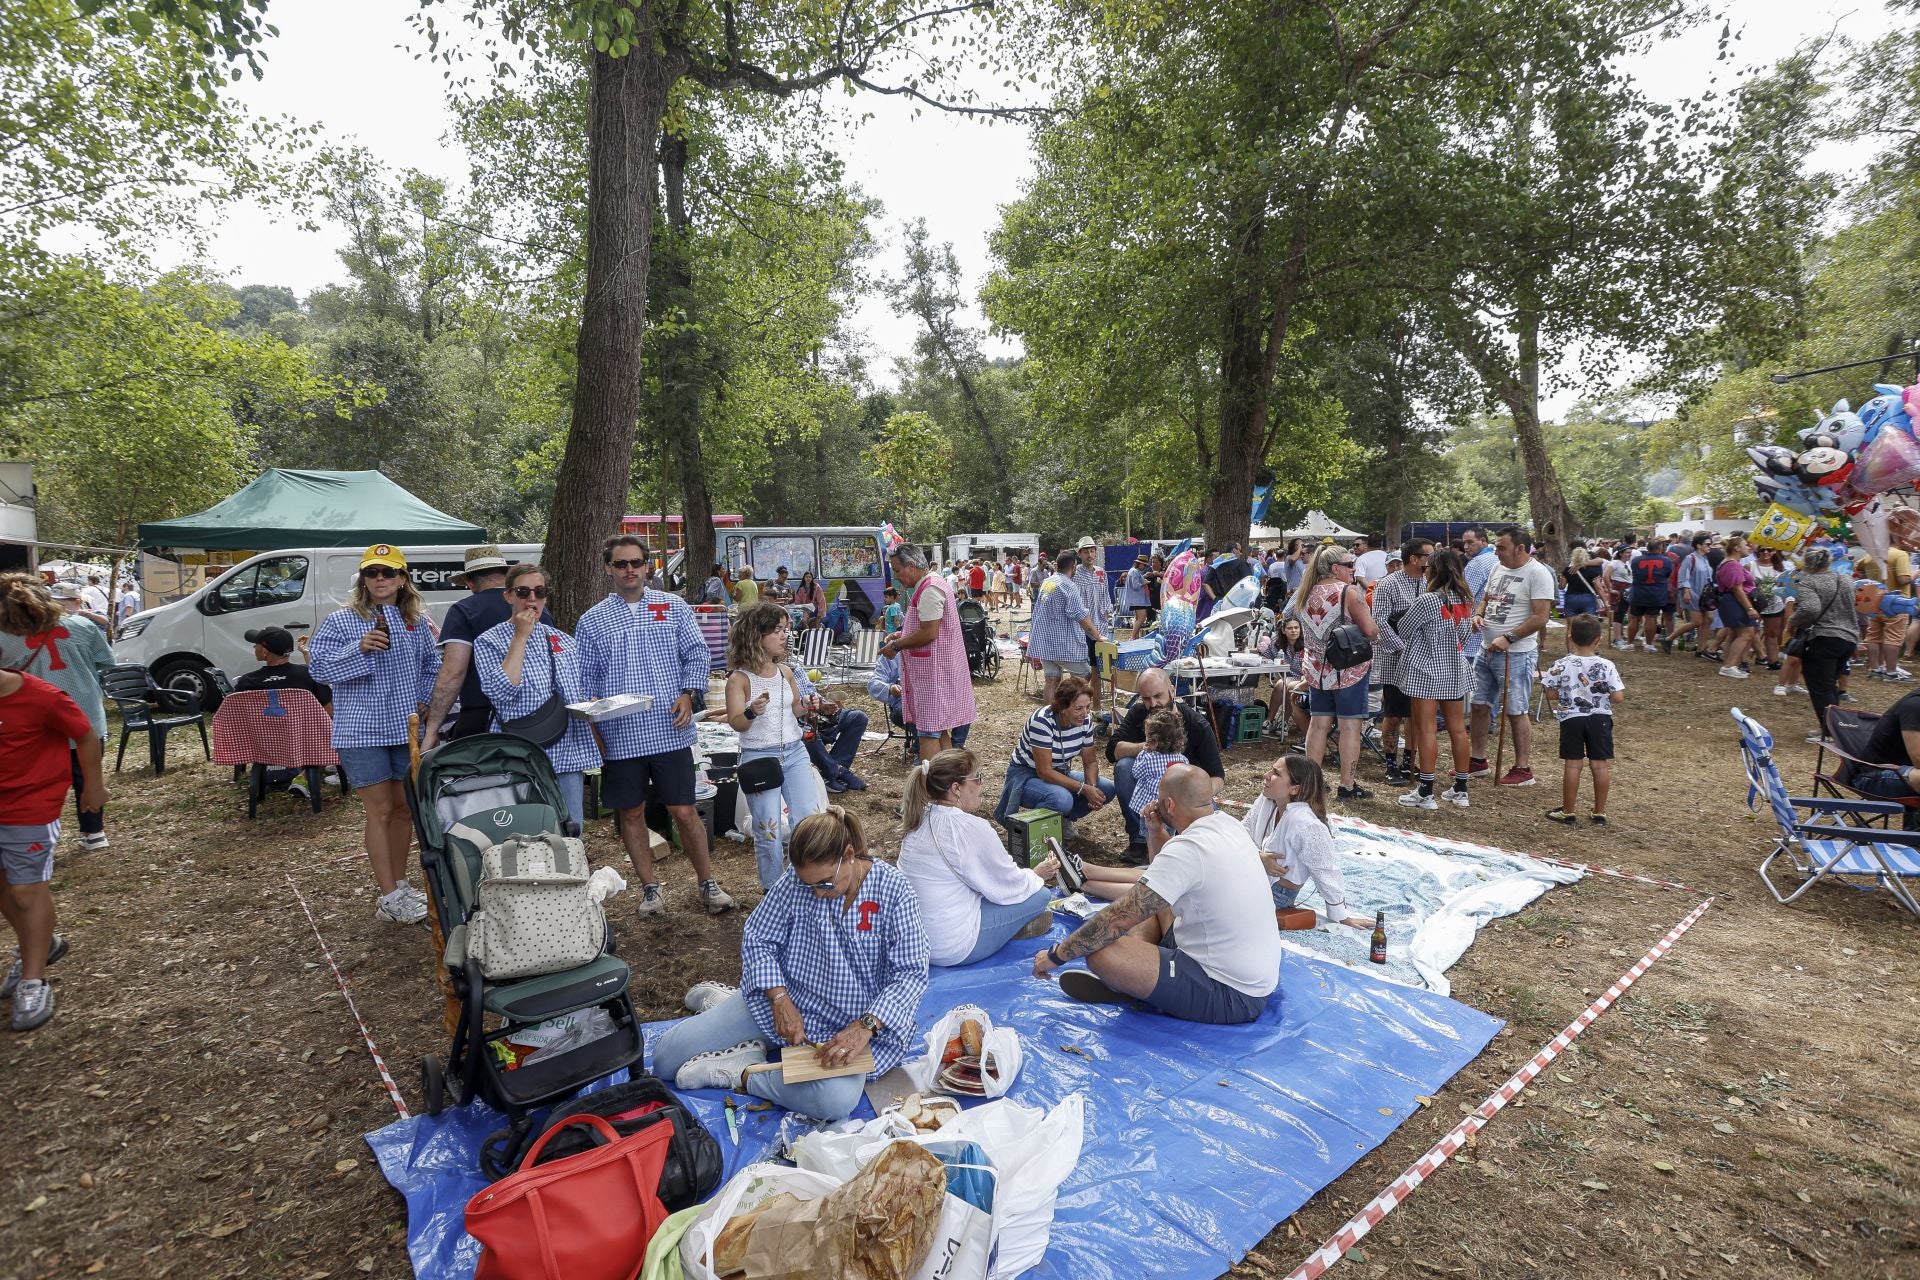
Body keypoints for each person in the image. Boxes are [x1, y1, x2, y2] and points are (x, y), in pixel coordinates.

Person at [655, 809, 929, 1118]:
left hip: (851, 1025)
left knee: (835, 1101)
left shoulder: (894, 891)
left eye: (824, 883)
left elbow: (911, 973)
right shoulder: (798, 881)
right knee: (665, 1059)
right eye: (808, 884)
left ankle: (744, 1071)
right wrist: (780, 999)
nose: (816, 893)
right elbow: (759, 936)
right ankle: (733, 1006)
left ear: (849, 855)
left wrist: (865, 1026)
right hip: (788, 1001)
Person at [1031, 765, 1279, 1023]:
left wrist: (1056, 955)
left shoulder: (1190, 849)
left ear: (1169, 805)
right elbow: (1162, 874)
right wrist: (1156, 832)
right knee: (1151, 901)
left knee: (1101, 952)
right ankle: (1139, 980)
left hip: (1229, 993)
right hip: (1249, 977)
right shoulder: (1229, 825)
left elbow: (1115, 920)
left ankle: (1135, 984)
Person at [576, 534, 737, 917]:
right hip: (621, 736)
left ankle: (707, 883)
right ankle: (651, 890)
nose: (629, 569)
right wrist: (595, 729)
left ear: (648, 566)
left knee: (684, 809)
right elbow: (585, 680)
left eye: (636, 562)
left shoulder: (673, 606)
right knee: (631, 813)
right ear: (608, 569)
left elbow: (696, 652)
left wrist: (689, 692)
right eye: (621, 564)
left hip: (669, 728)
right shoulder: (593, 620)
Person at [308, 545, 443, 925]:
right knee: (380, 810)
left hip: (405, 728)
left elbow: (433, 665)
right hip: (361, 730)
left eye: (388, 572)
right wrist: (359, 648)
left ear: (403, 579)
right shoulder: (341, 621)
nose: (380, 579)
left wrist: (424, 700)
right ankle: (388, 895)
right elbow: (318, 670)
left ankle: (399, 886)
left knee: (404, 810)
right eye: (372, 573)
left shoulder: (416, 620)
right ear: (363, 579)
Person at [0, 665, 105, 1030]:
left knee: (26, 891)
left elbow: (86, 736)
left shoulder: (42, 696)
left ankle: (33, 980)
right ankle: (41, 943)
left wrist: (93, 786)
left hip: (30, 807)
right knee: (4, 890)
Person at [897, 751, 1058, 966]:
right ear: (956, 788)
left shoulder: (918, 817)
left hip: (913, 942)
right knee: (1041, 895)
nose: (982, 785)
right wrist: (1036, 874)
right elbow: (1009, 883)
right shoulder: (971, 829)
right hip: (951, 947)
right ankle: (1009, 931)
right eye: (978, 778)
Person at [471, 564, 600, 826]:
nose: (532, 599)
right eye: (523, 592)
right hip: (520, 754)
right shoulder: (489, 641)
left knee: (571, 827)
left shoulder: (563, 640)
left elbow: (580, 689)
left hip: (566, 748)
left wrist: (593, 702)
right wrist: (520, 636)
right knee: (526, 831)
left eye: (539, 592)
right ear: (508, 596)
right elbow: (501, 692)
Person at [0, 575, 113, 852]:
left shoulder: (5, 636)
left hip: (32, 722)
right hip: (85, 712)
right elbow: (106, 662)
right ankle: (93, 831)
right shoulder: (83, 625)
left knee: (34, 778)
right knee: (87, 772)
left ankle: (36, 833)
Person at [726, 603, 831, 890]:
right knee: (768, 831)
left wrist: (808, 705)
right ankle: (773, 890)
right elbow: (737, 722)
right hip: (760, 757)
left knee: (808, 821)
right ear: (755, 635)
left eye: (786, 630)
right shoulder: (739, 679)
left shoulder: (786, 672)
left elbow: (795, 709)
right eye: (777, 631)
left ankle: (805, 882)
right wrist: (751, 711)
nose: (785, 636)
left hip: (795, 753)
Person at [425, 546, 551, 747]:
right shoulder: (540, 611)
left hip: (482, 717)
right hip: (540, 721)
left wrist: (432, 729)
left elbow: (453, 673)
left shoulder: (464, 610)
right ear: (506, 576)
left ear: (469, 582)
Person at [1108, 667, 1227, 861]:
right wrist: (1148, 747)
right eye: (1146, 698)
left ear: (1172, 690)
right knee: (1123, 767)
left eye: (1158, 696)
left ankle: (1190, 844)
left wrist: (1193, 796)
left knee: (1207, 811)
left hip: (1183, 794)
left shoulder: (1197, 724)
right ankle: (1139, 840)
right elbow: (1112, 750)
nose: (1153, 704)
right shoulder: (1139, 713)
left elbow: (1217, 776)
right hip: (1148, 794)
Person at [1468, 527, 1556, 788]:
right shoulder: (1498, 568)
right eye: (1496, 547)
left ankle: (1522, 768)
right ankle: (1477, 760)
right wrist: (1478, 614)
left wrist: (1509, 638)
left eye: (1502, 547)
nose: (1496, 552)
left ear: (1520, 548)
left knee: (1516, 709)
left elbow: (1541, 617)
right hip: (1486, 647)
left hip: (1516, 653)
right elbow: (1485, 598)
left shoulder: (1538, 573)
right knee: (1479, 704)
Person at [1294, 544, 1379, 801]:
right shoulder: (1349, 593)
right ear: (1335, 568)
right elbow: (1371, 630)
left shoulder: (1304, 592)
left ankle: (1312, 783)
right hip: (1348, 669)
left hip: (1317, 670)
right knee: (1350, 727)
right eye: (1350, 565)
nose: (1354, 569)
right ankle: (1347, 785)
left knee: (1318, 725)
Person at [1244, 757, 1372, 926]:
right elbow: (1241, 833)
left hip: (1276, 894)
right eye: (1271, 769)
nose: (1266, 775)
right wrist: (1258, 857)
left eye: (1275, 773)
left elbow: (1326, 870)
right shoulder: (1266, 800)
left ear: (1294, 789)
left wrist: (1341, 916)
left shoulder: (1305, 823)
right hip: (1250, 877)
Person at [1394, 548, 1476, 810]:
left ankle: (1426, 791)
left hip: (1426, 669)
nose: (1425, 571)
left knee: (1426, 729)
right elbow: (1464, 636)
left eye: (1428, 567)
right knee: (1458, 729)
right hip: (1454, 668)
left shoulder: (1427, 600)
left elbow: (1404, 629)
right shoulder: (1465, 599)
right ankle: (1461, 789)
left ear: (1435, 571)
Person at [878, 542, 976, 760]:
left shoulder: (930, 589)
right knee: (940, 730)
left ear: (911, 565)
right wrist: (902, 634)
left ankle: (932, 785)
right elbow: (927, 626)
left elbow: (929, 632)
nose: (896, 577)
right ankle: (949, 778)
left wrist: (896, 645)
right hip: (936, 672)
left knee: (929, 733)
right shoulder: (933, 583)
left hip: (934, 676)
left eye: (897, 570)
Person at [994, 675, 1115, 837]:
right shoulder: (1042, 721)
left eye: (1088, 707)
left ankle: (1062, 819)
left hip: (1059, 772)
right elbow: (1044, 771)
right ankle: (1029, 833)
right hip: (1025, 775)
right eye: (1078, 708)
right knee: (1061, 798)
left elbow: (1090, 761)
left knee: (1106, 788)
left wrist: (1091, 787)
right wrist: (1083, 789)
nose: (1085, 713)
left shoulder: (1085, 721)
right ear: (1062, 707)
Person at [1539, 614, 1624, 825]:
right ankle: (1599, 811)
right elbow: (1618, 697)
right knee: (1600, 765)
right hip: (1600, 719)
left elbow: (1549, 693)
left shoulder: (1561, 664)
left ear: (1570, 638)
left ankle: (1568, 811)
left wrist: (1570, 694)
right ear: (1599, 640)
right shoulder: (1607, 665)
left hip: (1571, 718)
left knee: (1573, 765)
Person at [1783, 546, 1859, 743]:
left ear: (1807, 563)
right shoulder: (1845, 579)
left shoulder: (1808, 581)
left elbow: (1810, 608)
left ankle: (1830, 732)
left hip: (1824, 637)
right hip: (1848, 638)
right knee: (1830, 685)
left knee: (1821, 687)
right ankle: (1835, 727)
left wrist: (1792, 622)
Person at [1369, 539, 1429, 784]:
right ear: (1414, 558)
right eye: (1428, 555)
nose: (1431, 560)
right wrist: (1402, 650)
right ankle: (1391, 764)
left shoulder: (1430, 584)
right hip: (1396, 659)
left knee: (1416, 714)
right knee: (1394, 714)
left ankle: (1409, 761)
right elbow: (1380, 622)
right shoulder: (1388, 585)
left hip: (1424, 659)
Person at [1027, 550, 1103, 707]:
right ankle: (1069, 708)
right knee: (1084, 675)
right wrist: (1098, 636)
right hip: (1063, 645)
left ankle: (1048, 717)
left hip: (1044, 643)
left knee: (1051, 680)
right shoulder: (1069, 586)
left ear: (1056, 565)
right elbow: (1082, 618)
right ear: (1074, 567)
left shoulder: (1047, 582)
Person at [789, 663, 868, 795]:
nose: (785, 647)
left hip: (818, 717)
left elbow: (811, 691)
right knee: (808, 732)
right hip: (799, 723)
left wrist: (821, 703)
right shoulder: (774, 674)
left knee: (858, 718)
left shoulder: (795, 668)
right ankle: (837, 771)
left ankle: (831, 771)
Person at [1127, 708, 1188, 858]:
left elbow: (1136, 773)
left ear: (1153, 741)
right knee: (1169, 839)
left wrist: (1144, 753)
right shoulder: (1182, 759)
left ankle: (1153, 863)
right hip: (1171, 809)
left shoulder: (1149, 758)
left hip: (1151, 809)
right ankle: (1168, 859)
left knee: (1152, 839)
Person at [1863, 537, 1914, 681]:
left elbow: (1858, 567)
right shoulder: (1900, 554)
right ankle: (1891, 673)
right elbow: (1903, 579)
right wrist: (1915, 574)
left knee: (1873, 636)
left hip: (1873, 602)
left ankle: (1875, 669)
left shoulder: (1870, 555)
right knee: (1893, 638)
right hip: (1896, 603)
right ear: (1899, 539)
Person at [1073, 537, 1113, 716]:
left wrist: (1107, 612)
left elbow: (1105, 596)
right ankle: (1073, 704)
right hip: (1083, 629)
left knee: (1098, 669)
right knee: (1083, 671)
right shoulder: (1075, 574)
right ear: (1080, 553)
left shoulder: (1100, 572)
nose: (1090, 554)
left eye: (1092, 551)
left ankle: (1096, 706)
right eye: (1086, 551)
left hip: (1101, 628)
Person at [1712, 534, 1760, 679]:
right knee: (1746, 634)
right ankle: (1729, 666)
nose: (1749, 547)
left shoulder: (1730, 563)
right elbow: (1737, 589)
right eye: (1746, 544)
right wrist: (1749, 608)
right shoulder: (1732, 565)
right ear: (1737, 548)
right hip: (1734, 602)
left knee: (1735, 633)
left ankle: (1730, 664)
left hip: (1732, 601)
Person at [1261, 616, 1310, 741]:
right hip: (1285, 678)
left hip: (1304, 679)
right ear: (1283, 631)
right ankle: (1270, 720)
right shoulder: (1277, 644)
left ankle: (1284, 721)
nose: (1294, 630)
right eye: (1290, 628)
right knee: (1281, 684)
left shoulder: (1307, 646)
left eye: (1296, 628)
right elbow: (1265, 658)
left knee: (1287, 685)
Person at [865, 648, 916, 760]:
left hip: (928, 703)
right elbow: (873, 683)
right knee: (910, 713)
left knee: (962, 702)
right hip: (902, 705)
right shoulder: (892, 654)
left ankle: (957, 744)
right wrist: (890, 688)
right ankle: (922, 744)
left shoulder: (933, 647)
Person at [1622, 540, 1672, 653]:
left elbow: (1633, 573)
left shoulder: (1636, 560)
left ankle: (1630, 644)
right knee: (1651, 618)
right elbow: (1668, 575)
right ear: (1659, 549)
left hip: (1638, 592)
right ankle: (1648, 645)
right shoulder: (1666, 561)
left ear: (1647, 548)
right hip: (1656, 593)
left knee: (1634, 618)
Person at [1671, 533, 1716, 653]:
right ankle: (1670, 638)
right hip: (1693, 593)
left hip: (1705, 595)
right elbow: (1683, 576)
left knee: (1709, 619)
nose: (1709, 546)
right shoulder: (1690, 558)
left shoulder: (1705, 559)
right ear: (1698, 545)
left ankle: (1701, 649)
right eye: (1707, 544)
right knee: (1697, 622)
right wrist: (1686, 590)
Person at [1562, 547, 1601, 618]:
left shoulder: (1568, 570)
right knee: (1587, 624)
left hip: (1571, 598)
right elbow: (1598, 587)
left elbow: (1562, 586)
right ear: (1586, 556)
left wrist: (1561, 577)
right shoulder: (1593, 571)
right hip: (1588, 598)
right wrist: (1605, 601)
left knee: (1571, 626)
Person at [1123, 555, 1152, 633]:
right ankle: (1132, 637)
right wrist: (1144, 583)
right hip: (1137, 600)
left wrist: (1143, 580)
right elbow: (1136, 586)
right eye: (1144, 565)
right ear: (1139, 564)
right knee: (1142, 618)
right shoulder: (1135, 572)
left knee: (1138, 619)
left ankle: (1135, 637)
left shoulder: (1133, 571)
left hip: (1136, 599)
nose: (1145, 567)